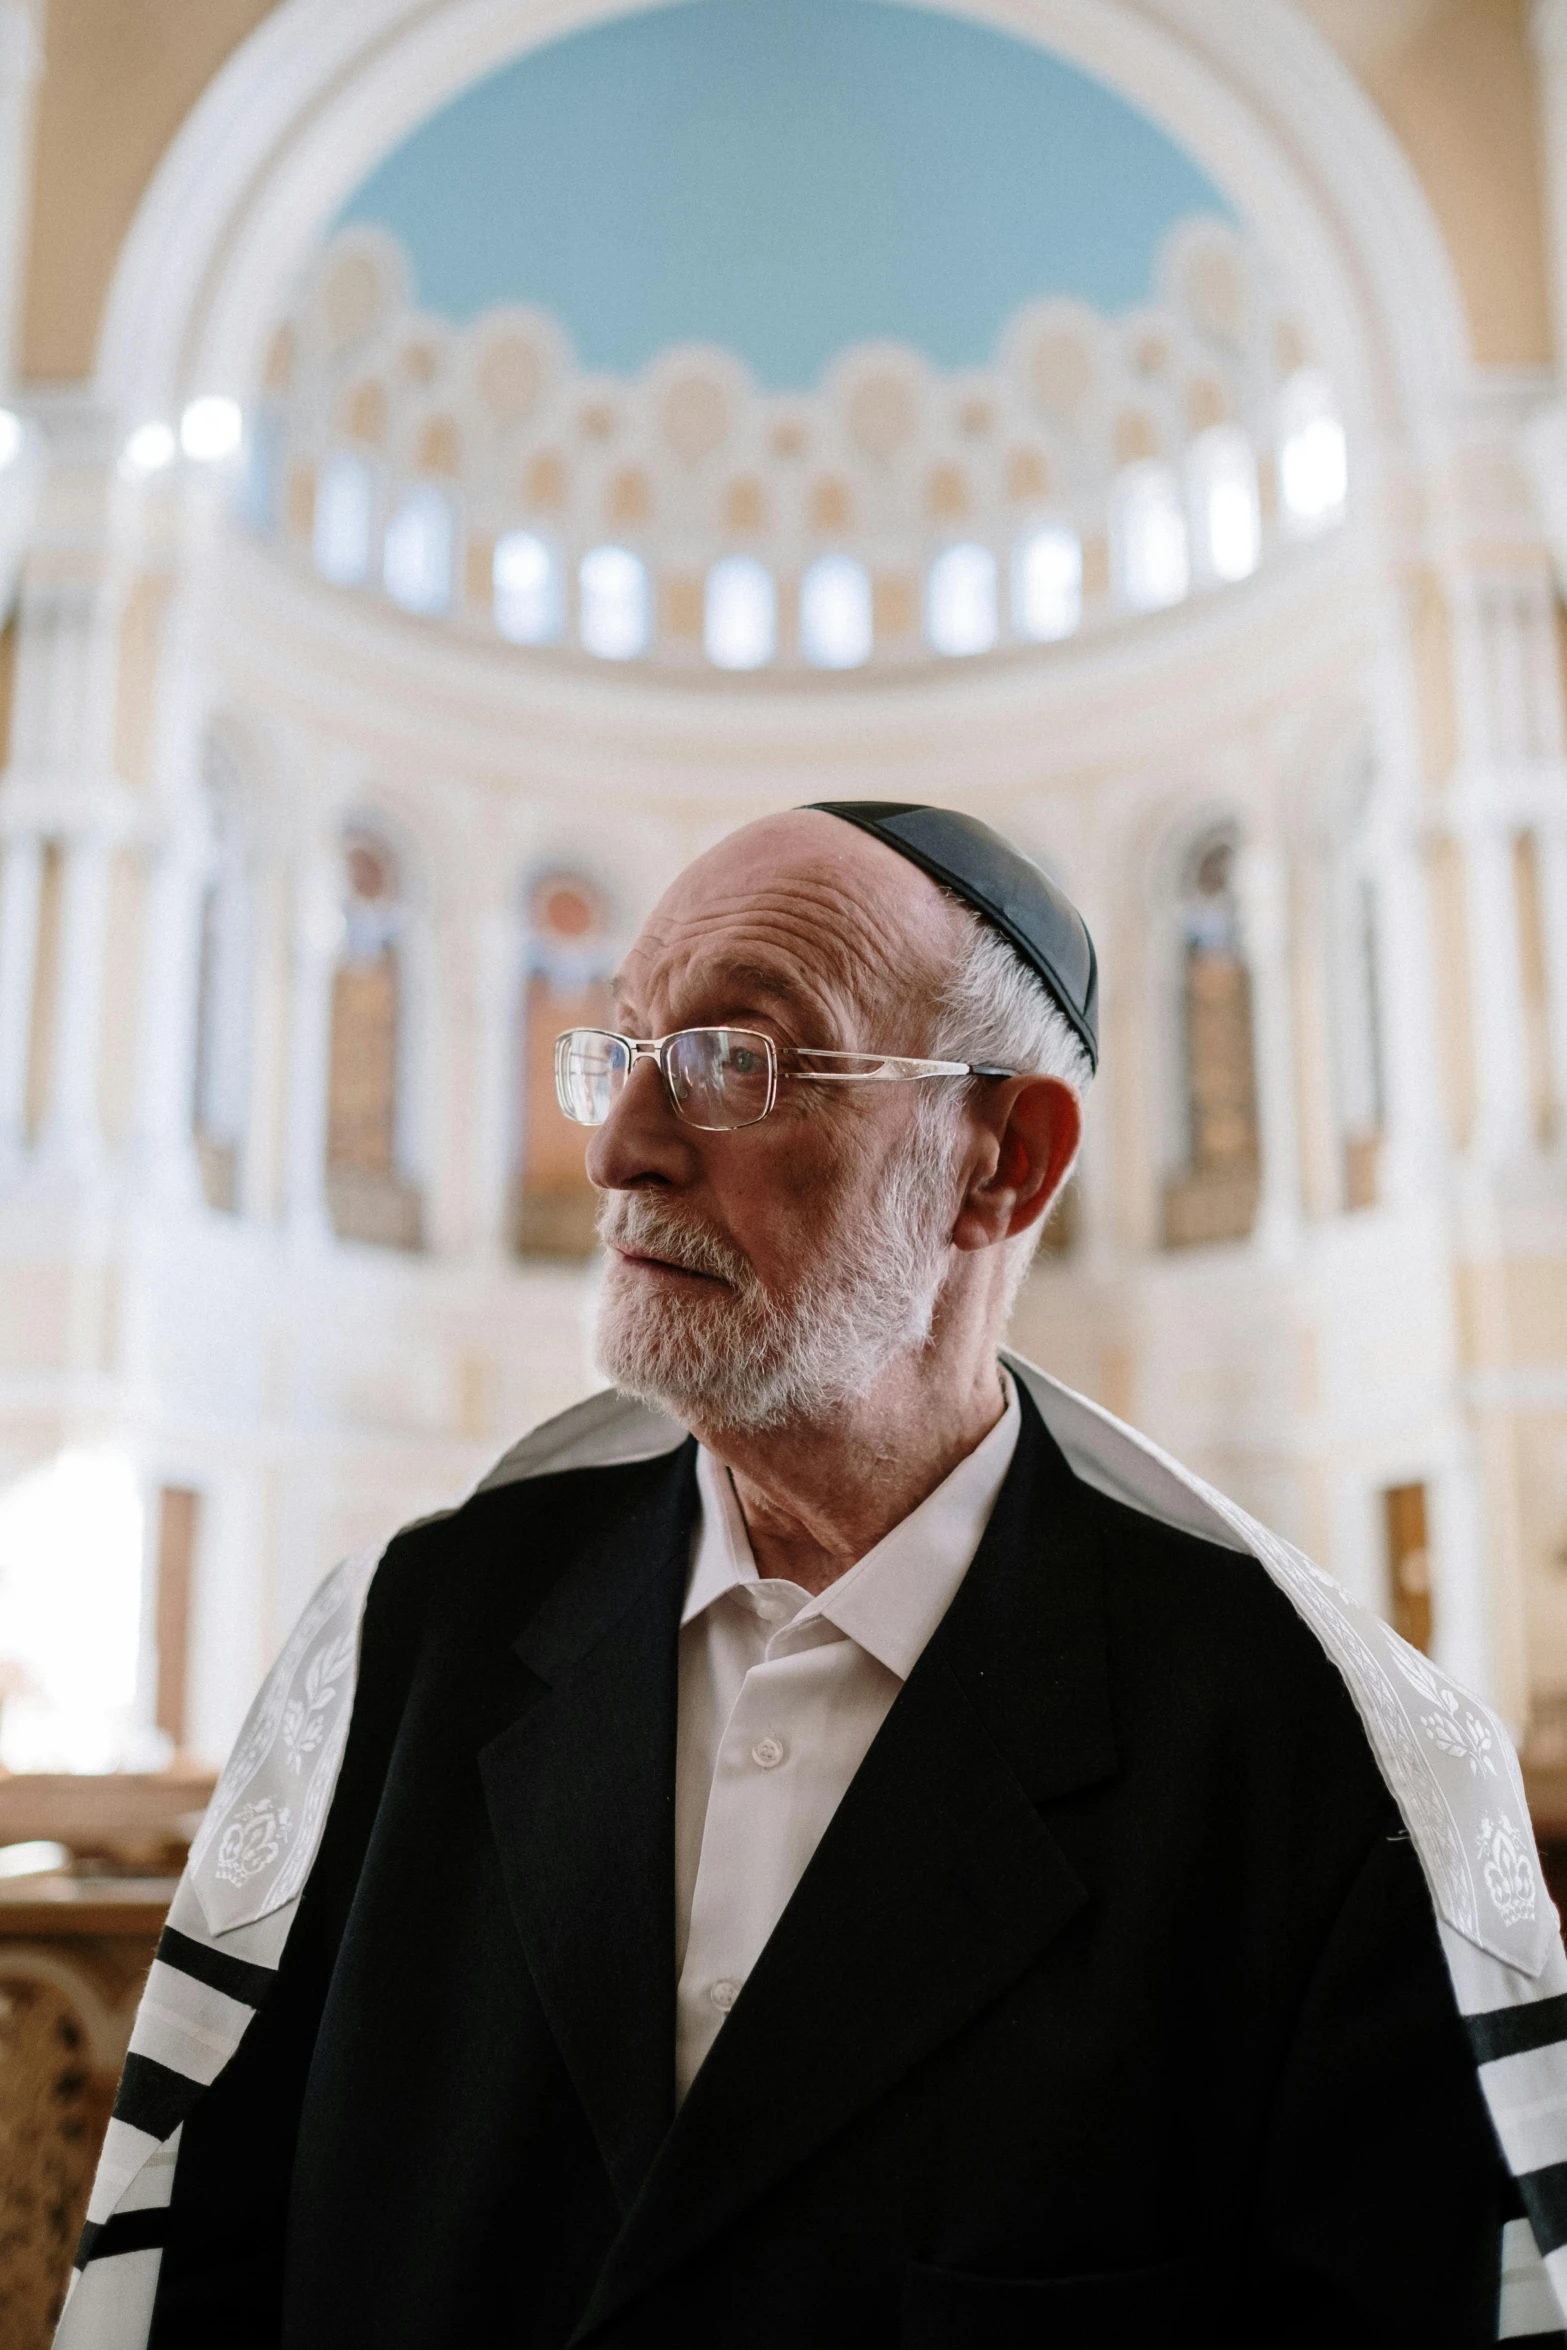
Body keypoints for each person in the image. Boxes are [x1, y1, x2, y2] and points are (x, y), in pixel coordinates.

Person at [59, 804, 1567, 2349]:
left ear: (1004, 1161)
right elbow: (212, 2274)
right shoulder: (406, 1642)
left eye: (739, 1059)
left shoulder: (1307, 1762)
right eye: (626, 1048)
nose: (617, 1148)